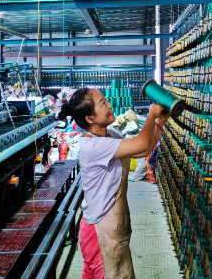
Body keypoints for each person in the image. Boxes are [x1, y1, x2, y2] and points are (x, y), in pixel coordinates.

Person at [58, 88, 169, 279]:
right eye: (102, 103)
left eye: (106, 100)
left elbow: (142, 150)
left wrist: (160, 121)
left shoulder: (109, 136)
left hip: (103, 226)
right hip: (100, 231)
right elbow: (142, 144)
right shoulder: (94, 145)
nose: (109, 106)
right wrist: (151, 115)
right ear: (90, 119)